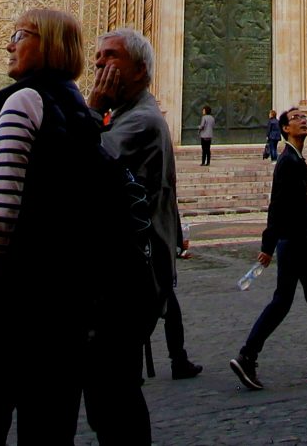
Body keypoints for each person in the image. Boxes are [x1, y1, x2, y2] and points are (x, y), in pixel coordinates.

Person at [0, 8, 107, 445]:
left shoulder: (21, 100)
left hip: (9, 300)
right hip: (64, 302)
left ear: (50, 45)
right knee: (49, 426)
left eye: (20, 34)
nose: (9, 43)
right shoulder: (79, 108)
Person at [90, 26, 204, 399]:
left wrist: (91, 109)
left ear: (140, 70)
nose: (99, 64)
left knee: (113, 396)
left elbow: (82, 167)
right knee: (114, 395)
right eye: (97, 57)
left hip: (126, 279)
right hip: (133, 272)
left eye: (111, 57)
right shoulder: (131, 115)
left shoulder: (140, 121)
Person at [228, 107, 307, 389]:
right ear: (284, 129)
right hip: (298, 242)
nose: (303, 121)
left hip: (292, 241)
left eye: (304, 117)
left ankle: (250, 355)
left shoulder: (293, 159)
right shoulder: (289, 162)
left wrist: (272, 244)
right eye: (295, 119)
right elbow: (283, 205)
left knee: (284, 302)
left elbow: (288, 205)